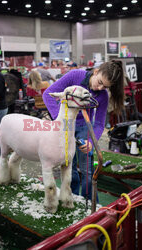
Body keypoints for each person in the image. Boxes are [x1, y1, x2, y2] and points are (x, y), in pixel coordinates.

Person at [43, 60, 124, 200]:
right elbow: (48, 94)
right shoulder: (75, 75)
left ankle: (90, 201)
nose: (99, 88)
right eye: (99, 82)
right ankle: (72, 198)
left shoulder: (103, 95)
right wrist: (59, 118)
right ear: (96, 71)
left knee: (87, 170)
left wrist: (91, 142)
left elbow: (99, 123)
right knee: (69, 167)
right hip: (67, 124)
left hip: (84, 126)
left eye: (105, 86)